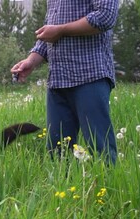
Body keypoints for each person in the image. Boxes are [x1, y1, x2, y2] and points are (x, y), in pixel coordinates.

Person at [11, 0, 119, 165]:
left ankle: (109, 189)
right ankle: (65, 190)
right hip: (58, 80)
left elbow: (105, 16)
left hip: (90, 75)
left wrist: (61, 30)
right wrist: (31, 60)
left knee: (100, 149)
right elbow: (50, 29)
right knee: (58, 153)